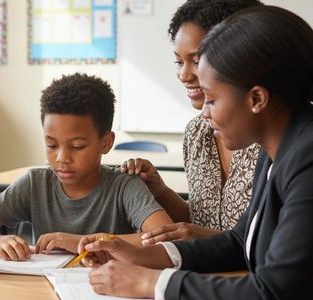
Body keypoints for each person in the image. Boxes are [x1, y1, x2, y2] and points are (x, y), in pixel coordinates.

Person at [79, 5, 313, 299]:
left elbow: (276, 291)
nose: (204, 113)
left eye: (212, 99)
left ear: (256, 98)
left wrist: (150, 283)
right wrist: (142, 256)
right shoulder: (280, 148)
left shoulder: (306, 158)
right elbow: (241, 241)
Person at [0, 73, 173, 261]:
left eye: (77, 146)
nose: (62, 158)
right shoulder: (35, 184)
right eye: (52, 145)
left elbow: (168, 238)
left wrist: (83, 242)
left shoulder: (125, 186)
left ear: (106, 143)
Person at [120, 0, 262, 245]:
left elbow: (282, 245)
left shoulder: (273, 134)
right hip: (206, 276)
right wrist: (161, 192)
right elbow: (202, 220)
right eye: (179, 61)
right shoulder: (197, 132)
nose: (184, 75)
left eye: (196, 61)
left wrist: (211, 240)